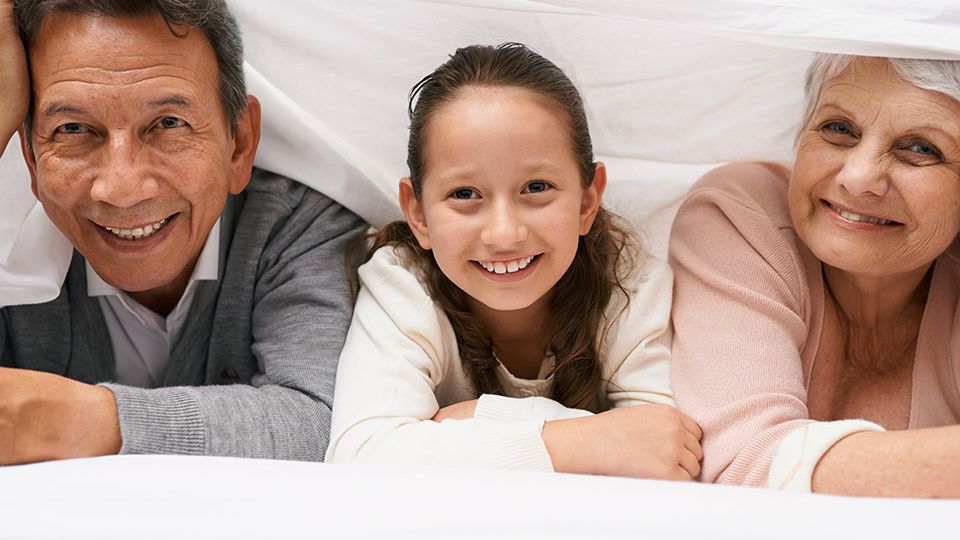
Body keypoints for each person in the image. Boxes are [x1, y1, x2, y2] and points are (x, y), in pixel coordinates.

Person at [0, 0, 366, 463]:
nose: (123, 189)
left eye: (168, 124)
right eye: (73, 128)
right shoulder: (8, 244)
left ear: (240, 146)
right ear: (30, 162)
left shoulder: (300, 229)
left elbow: (328, 422)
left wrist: (74, 419)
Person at [326, 43, 702, 479]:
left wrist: (463, 420)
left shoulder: (633, 290)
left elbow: (666, 453)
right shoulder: (403, 284)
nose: (504, 233)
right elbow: (360, 459)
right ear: (418, 214)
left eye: (536, 187)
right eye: (464, 194)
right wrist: (589, 440)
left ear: (586, 201)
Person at [669, 54, 960, 497]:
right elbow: (739, 466)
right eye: (839, 129)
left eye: (921, 148)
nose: (859, 178)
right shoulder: (743, 212)